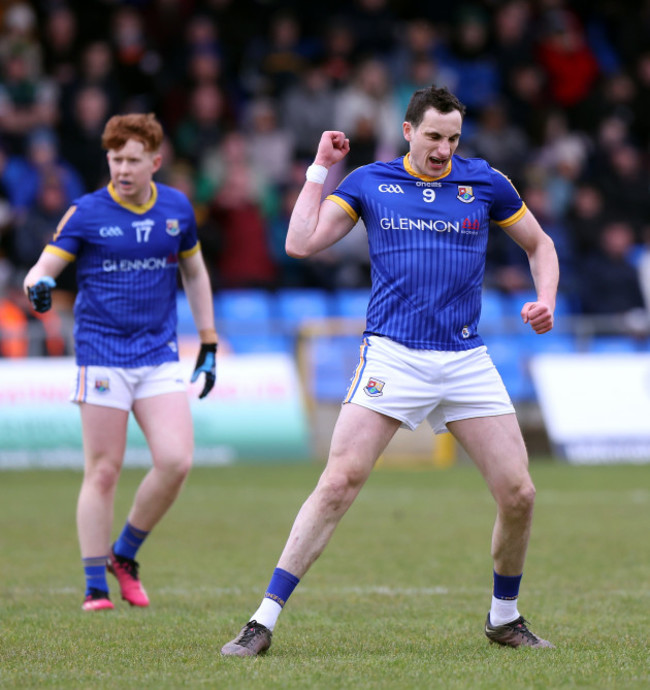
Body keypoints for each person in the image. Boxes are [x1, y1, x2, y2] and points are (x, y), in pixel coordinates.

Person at [221, 86, 559, 656]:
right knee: (339, 482)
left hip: (464, 358)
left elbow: (541, 244)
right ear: (407, 130)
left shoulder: (485, 182)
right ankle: (262, 620)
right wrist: (320, 169)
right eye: (432, 136)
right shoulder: (369, 182)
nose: (443, 149)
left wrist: (544, 296)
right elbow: (300, 242)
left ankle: (504, 617)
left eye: (452, 138)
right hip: (393, 355)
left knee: (520, 493)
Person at [23, 113, 218, 612]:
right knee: (104, 470)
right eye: (115, 159)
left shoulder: (175, 208)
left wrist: (209, 341)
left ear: (156, 161)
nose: (123, 169)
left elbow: (194, 274)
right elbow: (41, 271)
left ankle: (124, 553)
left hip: (157, 355)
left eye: (133, 160)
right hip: (103, 354)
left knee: (176, 461)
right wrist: (39, 288)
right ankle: (95, 585)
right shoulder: (86, 212)